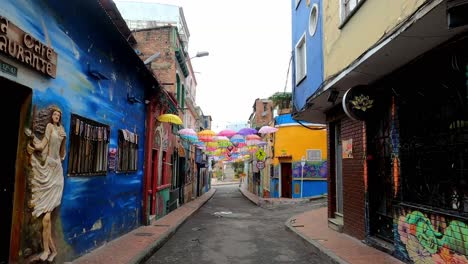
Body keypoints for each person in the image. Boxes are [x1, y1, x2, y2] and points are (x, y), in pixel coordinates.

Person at [26, 105, 66, 262]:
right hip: (47, 169)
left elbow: (63, 153)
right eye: (54, 114)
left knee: (47, 216)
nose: (56, 116)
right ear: (51, 116)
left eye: (58, 115)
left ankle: (47, 250)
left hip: (57, 171)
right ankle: (50, 250)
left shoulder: (62, 131)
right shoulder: (49, 127)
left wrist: (64, 142)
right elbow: (42, 145)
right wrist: (34, 146)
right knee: (46, 216)